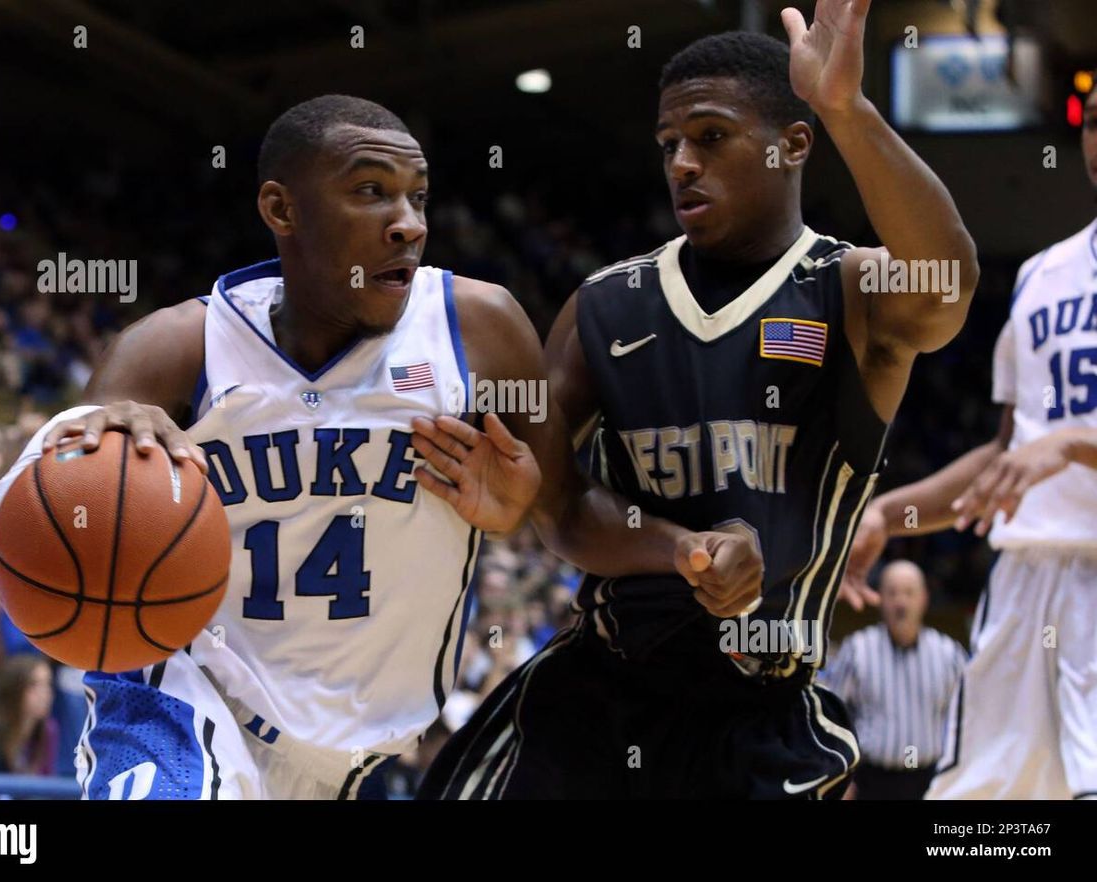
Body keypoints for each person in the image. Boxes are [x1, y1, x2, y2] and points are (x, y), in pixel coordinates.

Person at [0, 95, 761, 799]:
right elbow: (34, 527)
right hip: (180, 692)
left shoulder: (479, 330)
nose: (409, 221)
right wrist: (96, 438)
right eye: (370, 191)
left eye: (418, 196)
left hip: (356, 754)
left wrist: (677, 545)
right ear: (281, 209)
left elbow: (568, 513)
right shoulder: (176, 349)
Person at [416, 1, 978, 799]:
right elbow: (560, 507)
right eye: (669, 143)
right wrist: (679, 547)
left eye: (710, 137)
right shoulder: (605, 305)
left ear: (793, 146)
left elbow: (950, 286)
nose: (682, 161)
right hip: (598, 701)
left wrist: (847, 109)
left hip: (762, 714)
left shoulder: (850, 290)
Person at [846, 82, 1097, 800]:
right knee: (981, 824)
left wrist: (1074, 448)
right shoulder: (1041, 277)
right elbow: (1010, 454)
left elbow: (1054, 448)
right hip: (1026, 588)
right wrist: (890, 516)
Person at [820, 561, 965, 799]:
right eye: (893, 593)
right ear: (880, 599)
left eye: (909, 593)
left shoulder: (948, 653)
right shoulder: (857, 650)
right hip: (870, 781)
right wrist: (839, 776)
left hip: (930, 782)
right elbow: (831, 717)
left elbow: (965, 720)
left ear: (924, 598)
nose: (901, 603)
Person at [0, 654, 59, 776]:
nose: (45, 693)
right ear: (14, 688)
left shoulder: (49, 730)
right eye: (34, 684)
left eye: (48, 684)